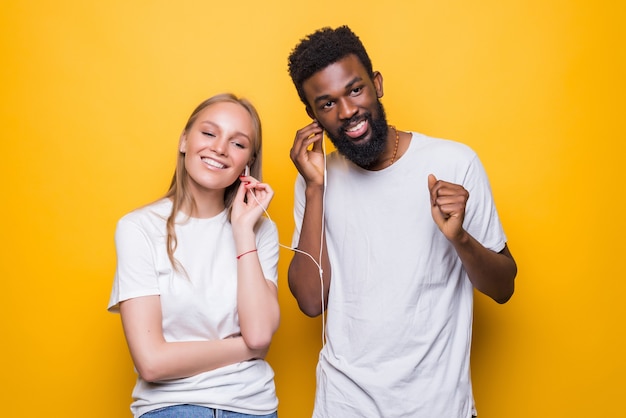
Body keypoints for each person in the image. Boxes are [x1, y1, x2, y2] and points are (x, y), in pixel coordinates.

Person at [286, 26, 517, 418]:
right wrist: (313, 190)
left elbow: (503, 287)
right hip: (344, 405)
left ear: (376, 84)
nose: (347, 112)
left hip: (438, 407)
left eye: (355, 90)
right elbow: (310, 302)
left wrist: (460, 238)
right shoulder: (316, 177)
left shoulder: (454, 163)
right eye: (326, 104)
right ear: (312, 116)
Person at [108, 93, 280, 418]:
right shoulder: (138, 229)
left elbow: (258, 332)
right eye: (209, 133)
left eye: (238, 143)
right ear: (185, 140)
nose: (219, 148)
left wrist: (243, 231)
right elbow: (152, 363)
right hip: (171, 408)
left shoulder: (261, 232)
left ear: (248, 163)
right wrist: (246, 349)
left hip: (252, 408)